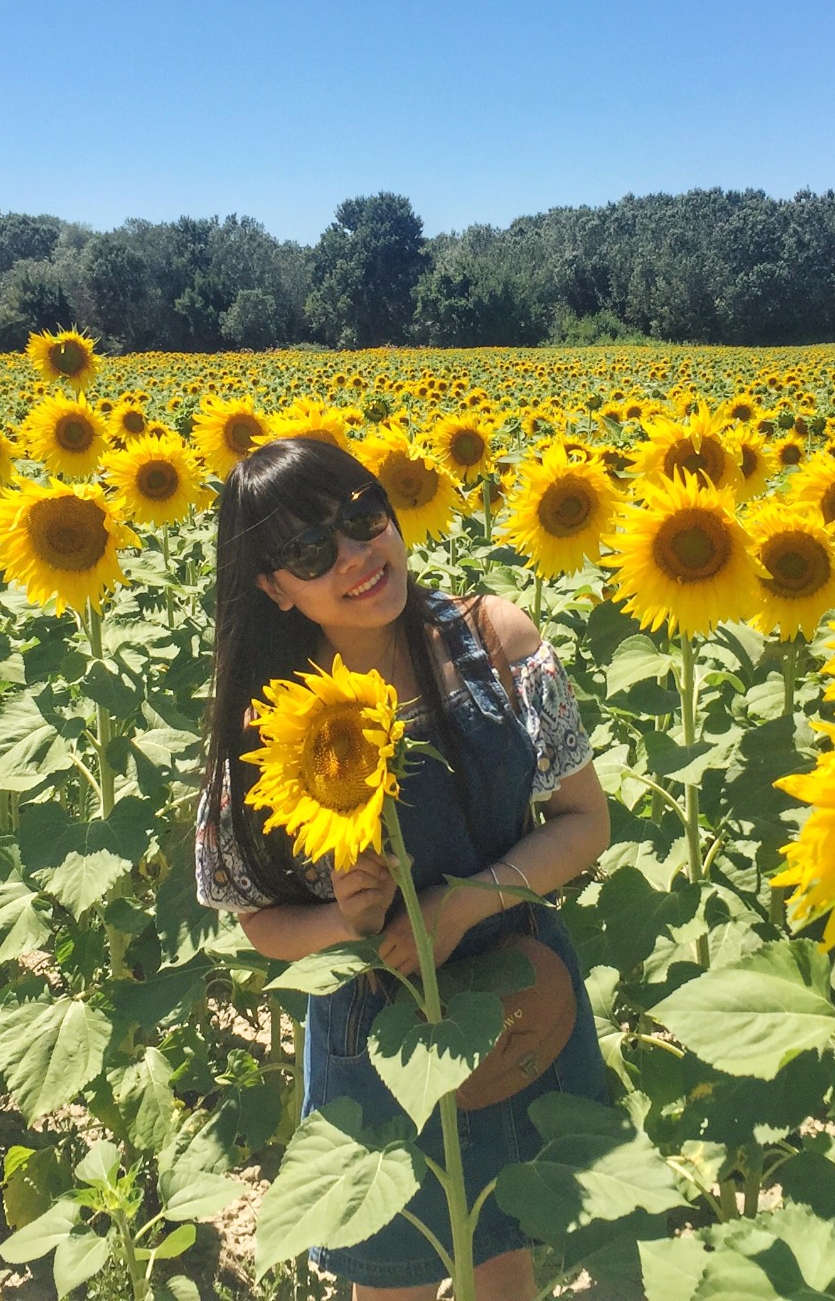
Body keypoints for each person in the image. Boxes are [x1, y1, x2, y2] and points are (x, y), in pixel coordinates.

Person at [195, 437, 611, 1301]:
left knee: (507, 1266)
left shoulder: (494, 639)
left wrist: (459, 906)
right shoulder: (272, 722)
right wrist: (345, 920)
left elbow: (583, 824)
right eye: (313, 552)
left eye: (362, 518)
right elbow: (261, 922)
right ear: (275, 586)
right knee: (393, 1282)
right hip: (377, 1031)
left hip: (517, 991)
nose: (355, 556)